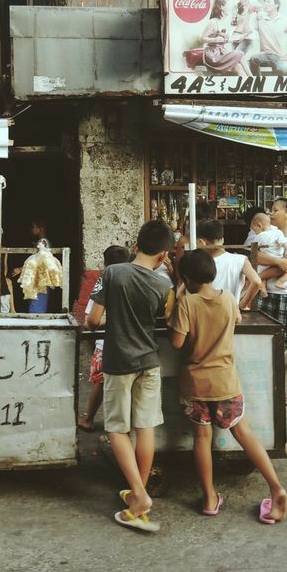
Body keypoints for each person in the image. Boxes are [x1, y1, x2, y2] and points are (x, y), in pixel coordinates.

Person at [168, 249, 287, 523]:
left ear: (186, 276)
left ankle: (210, 497)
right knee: (244, 434)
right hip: (226, 382)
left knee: (202, 438)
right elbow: (237, 321)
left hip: (196, 384)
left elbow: (175, 343)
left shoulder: (187, 304)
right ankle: (276, 487)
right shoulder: (228, 299)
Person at [86, 220, 175, 533]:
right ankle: (142, 490)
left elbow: (93, 320)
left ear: (136, 245)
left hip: (118, 362)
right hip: (149, 362)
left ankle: (138, 494)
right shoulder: (164, 284)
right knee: (144, 427)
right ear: (164, 255)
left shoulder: (112, 273)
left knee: (116, 429)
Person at [255, 198, 287, 406]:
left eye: (276, 210)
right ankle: (267, 384)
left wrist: (262, 275)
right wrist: (277, 261)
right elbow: (254, 258)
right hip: (267, 294)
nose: (271, 213)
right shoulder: (264, 235)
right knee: (264, 341)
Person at [78, 244, 131, 433]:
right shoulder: (135, 281)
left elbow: (90, 320)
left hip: (107, 344)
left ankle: (91, 420)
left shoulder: (104, 281)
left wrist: (111, 320)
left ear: (105, 264)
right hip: (131, 346)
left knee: (100, 382)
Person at [196, 218, 266, 309]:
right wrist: (241, 305)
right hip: (231, 316)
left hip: (204, 315)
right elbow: (257, 282)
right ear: (222, 240)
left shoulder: (198, 262)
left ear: (201, 243)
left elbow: (181, 293)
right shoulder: (240, 260)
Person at [239, 211, 287, 306]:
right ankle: (279, 282)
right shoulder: (278, 233)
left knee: (262, 275)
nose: (272, 213)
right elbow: (284, 244)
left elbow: (252, 252)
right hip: (278, 258)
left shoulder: (258, 237)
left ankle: (263, 288)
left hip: (264, 264)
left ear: (259, 226)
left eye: (275, 210)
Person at [249, 0, 287, 76]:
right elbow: (249, 29)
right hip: (264, 55)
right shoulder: (260, 19)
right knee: (253, 59)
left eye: (268, 2)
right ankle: (259, 83)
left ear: (276, 5)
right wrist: (254, 14)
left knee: (283, 70)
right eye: (265, 2)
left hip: (279, 57)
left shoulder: (284, 21)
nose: (266, 4)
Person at [12, 217, 54, 313]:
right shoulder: (43, 242)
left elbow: (40, 260)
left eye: (33, 227)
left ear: (40, 229)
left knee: (36, 308)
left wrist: (20, 269)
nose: (31, 229)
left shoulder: (42, 242)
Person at [200, 0, 250, 77]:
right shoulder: (213, 22)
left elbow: (224, 40)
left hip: (221, 52)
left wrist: (236, 39)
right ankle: (253, 78)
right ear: (221, 7)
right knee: (240, 53)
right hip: (213, 55)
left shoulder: (223, 22)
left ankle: (250, 83)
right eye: (228, 6)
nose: (230, 8)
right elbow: (202, 38)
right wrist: (214, 39)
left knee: (239, 67)